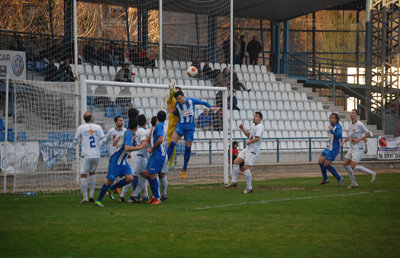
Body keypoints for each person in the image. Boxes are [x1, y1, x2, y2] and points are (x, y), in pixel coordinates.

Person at [166, 91, 217, 179]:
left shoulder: (190, 101)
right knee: (172, 144)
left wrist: (210, 107)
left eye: (180, 98)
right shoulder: (177, 105)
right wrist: (173, 112)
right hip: (181, 125)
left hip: (190, 128)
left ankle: (184, 168)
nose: (179, 100)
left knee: (188, 148)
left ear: (183, 96)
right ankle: (164, 163)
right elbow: (179, 113)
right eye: (178, 99)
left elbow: (203, 102)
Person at [95, 119, 138, 207]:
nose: (121, 122)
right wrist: (139, 147)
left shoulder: (127, 132)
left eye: (122, 120)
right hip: (115, 160)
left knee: (130, 178)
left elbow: (123, 142)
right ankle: (99, 200)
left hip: (123, 161)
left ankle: (112, 188)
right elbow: (126, 147)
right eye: (119, 120)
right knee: (109, 181)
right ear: (136, 127)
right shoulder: (127, 133)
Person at [130, 111, 167, 205]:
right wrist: (142, 144)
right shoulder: (157, 127)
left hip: (158, 154)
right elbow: (149, 137)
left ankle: (157, 197)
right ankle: (150, 195)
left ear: (157, 117)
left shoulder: (159, 126)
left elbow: (160, 140)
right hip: (155, 154)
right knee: (146, 173)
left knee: (152, 175)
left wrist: (152, 148)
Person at [226, 112, 264, 194]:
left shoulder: (260, 127)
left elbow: (257, 138)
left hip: (253, 150)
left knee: (245, 168)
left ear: (260, 119)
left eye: (256, 116)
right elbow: (249, 135)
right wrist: (242, 129)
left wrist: (249, 142)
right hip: (248, 149)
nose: (254, 118)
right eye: (254, 116)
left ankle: (249, 187)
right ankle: (234, 182)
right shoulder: (255, 126)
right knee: (236, 162)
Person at [73, 112, 106, 203]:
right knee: (92, 173)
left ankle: (85, 197)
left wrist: (80, 140)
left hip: (86, 155)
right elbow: (104, 140)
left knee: (83, 175)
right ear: (91, 118)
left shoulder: (81, 128)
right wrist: (98, 145)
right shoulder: (98, 127)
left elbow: (75, 142)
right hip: (96, 155)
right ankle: (91, 195)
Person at [341, 109, 377, 188]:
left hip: (359, 148)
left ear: (356, 115)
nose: (351, 114)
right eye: (351, 113)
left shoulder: (360, 124)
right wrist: (344, 141)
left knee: (352, 166)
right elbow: (350, 135)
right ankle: (354, 183)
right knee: (345, 164)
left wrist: (358, 139)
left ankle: (372, 173)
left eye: (353, 113)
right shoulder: (350, 123)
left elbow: (368, 134)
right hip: (352, 147)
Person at [120, 114, 150, 202]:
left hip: (138, 156)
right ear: (145, 122)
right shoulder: (143, 132)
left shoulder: (135, 131)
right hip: (138, 156)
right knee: (131, 177)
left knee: (145, 176)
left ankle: (135, 194)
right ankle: (122, 195)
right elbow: (144, 143)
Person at [317, 113, 343, 186]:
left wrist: (332, 131)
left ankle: (339, 178)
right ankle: (325, 179)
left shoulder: (338, 126)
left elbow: (340, 135)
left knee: (326, 164)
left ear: (336, 119)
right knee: (320, 161)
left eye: (332, 117)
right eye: (330, 117)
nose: (331, 119)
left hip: (334, 148)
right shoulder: (331, 125)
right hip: (328, 146)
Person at [166, 82, 181, 170]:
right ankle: (170, 163)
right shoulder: (171, 100)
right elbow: (169, 99)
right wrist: (171, 89)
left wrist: (175, 112)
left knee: (171, 144)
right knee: (170, 144)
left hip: (178, 126)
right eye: (176, 92)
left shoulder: (180, 102)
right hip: (170, 125)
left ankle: (169, 163)